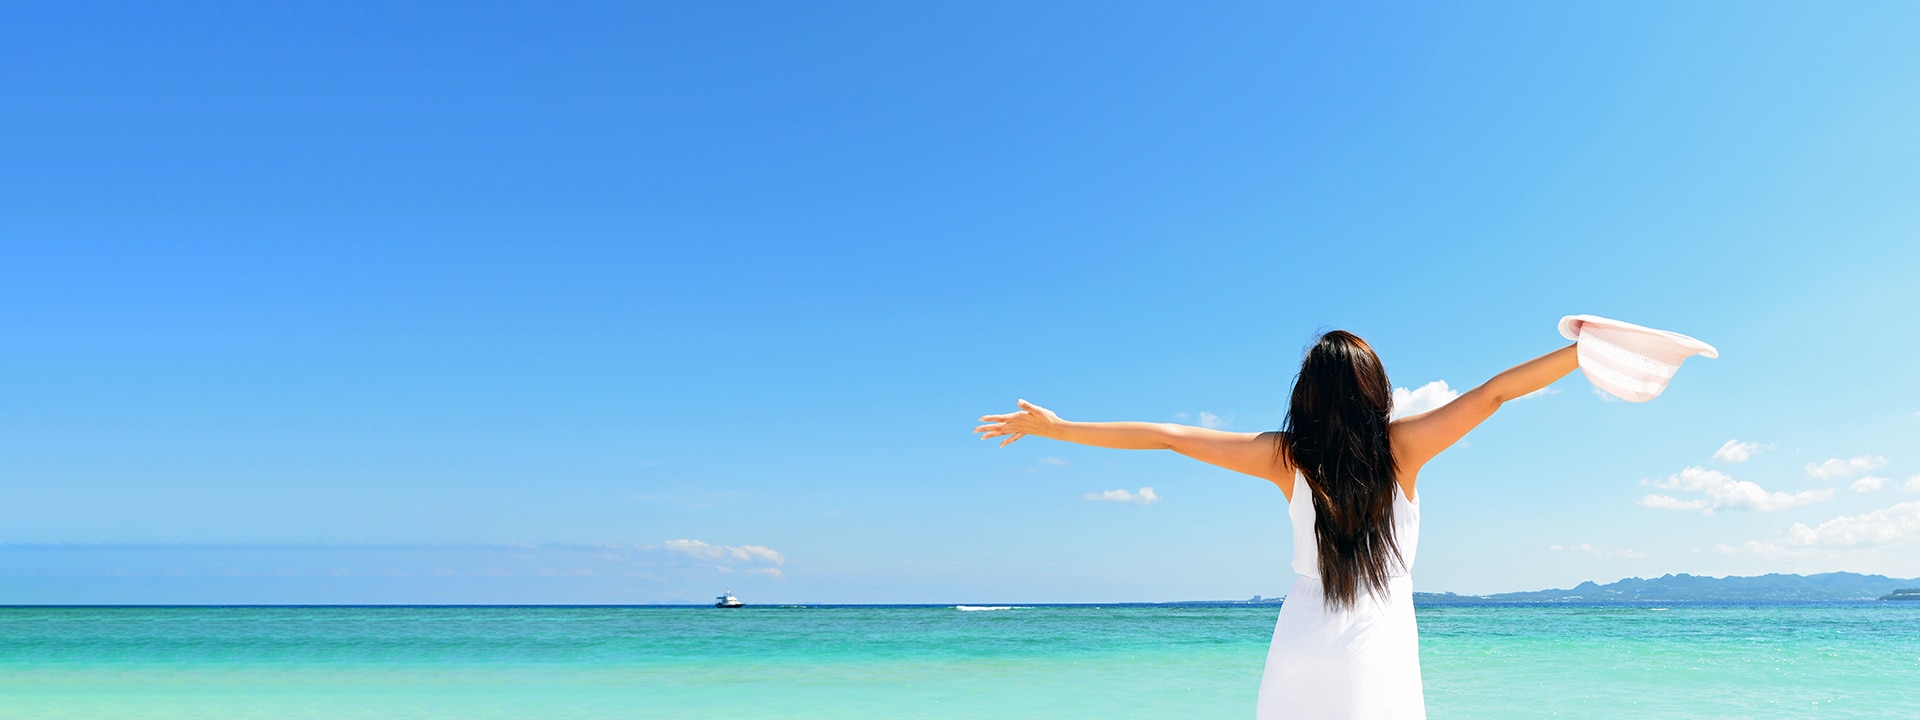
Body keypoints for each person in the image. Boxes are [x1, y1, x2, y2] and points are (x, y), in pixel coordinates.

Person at [974, 331, 1580, 719]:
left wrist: (1059, 429)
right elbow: (1495, 393)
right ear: (1375, 389)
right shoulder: (1403, 447)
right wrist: (1585, 352)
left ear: (1307, 394)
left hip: (1300, 642)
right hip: (1375, 649)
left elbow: (1169, 437)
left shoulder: (1285, 456)